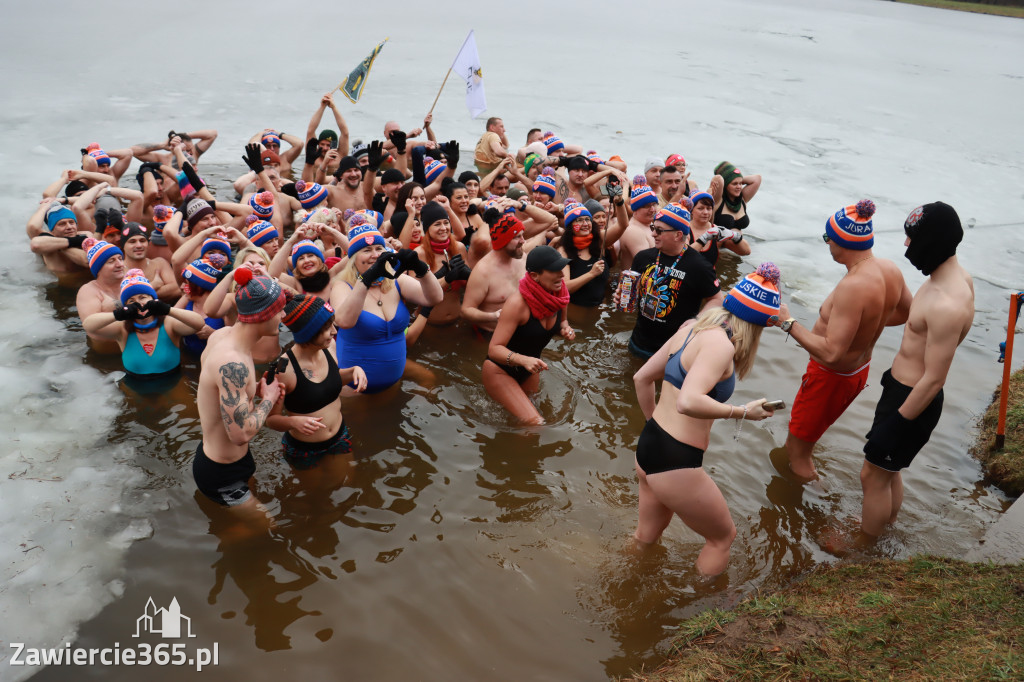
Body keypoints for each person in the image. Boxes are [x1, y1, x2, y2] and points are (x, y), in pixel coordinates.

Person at [631, 263, 783, 575]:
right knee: (723, 538)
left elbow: (642, 378)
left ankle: (627, 580)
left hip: (650, 446)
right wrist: (742, 412)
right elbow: (688, 401)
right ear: (758, 325)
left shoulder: (691, 328)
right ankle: (707, 613)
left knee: (643, 539)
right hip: (676, 462)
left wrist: (652, 423)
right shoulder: (721, 345)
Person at [859, 202, 974, 538]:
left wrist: (897, 422)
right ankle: (885, 529)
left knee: (872, 475)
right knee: (888, 472)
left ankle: (864, 546)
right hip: (901, 391)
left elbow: (936, 377)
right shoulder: (954, 277)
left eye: (913, 239)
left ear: (933, 243)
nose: (907, 246)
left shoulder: (947, 302)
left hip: (912, 402)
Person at [774, 200, 911, 480]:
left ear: (841, 241)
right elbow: (907, 312)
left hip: (830, 377)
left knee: (797, 454)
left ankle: (813, 514)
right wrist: (867, 328)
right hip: (857, 372)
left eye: (828, 238)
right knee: (800, 443)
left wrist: (787, 322)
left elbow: (832, 353)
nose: (827, 245)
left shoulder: (853, 286)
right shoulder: (889, 270)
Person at [193, 269, 286, 511]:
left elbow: (216, 392)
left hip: (234, 460)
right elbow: (241, 434)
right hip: (221, 474)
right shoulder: (231, 363)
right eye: (279, 310)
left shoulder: (222, 336)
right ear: (263, 315)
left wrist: (252, 391)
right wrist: (268, 399)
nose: (283, 316)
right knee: (269, 531)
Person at [330, 224, 443, 394]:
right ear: (353, 258)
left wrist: (421, 268)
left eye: (378, 249)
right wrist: (367, 279)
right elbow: (344, 321)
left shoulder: (396, 281)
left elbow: (435, 298)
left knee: (430, 380)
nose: (375, 255)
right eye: (366, 250)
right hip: (354, 390)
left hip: (393, 382)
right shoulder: (342, 285)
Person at [267, 294, 367, 469]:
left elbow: (329, 383)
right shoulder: (283, 369)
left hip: (339, 435)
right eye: (328, 327)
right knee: (314, 493)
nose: (335, 332)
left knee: (347, 483)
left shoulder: (329, 347)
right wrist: (293, 422)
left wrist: (353, 372)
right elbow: (271, 420)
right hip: (305, 448)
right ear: (309, 331)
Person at [484, 246, 576, 425]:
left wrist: (565, 329)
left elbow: (562, 322)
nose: (562, 276)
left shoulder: (560, 295)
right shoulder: (517, 304)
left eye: (562, 269)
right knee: (535, 422)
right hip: (500, 370)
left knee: (530, 417)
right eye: (555, 271)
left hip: (530, 369)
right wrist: (524, 360)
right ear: (535, 276)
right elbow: (494, 349)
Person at [627, 203, 723, 358]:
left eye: (659, 230)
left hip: (674, 349)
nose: (653, 234)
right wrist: (623, 294)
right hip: (638, 341)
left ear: (678, 235)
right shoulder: (643, 257)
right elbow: (633, 290)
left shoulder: (699, 266)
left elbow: (717, 300)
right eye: (653, 228)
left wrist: (696, 321)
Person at [82, 269, 205, 382]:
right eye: (131, 301)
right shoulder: (121, 328)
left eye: (143, 297)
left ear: (153, 299)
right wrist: (117, 314)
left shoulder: (169, 323)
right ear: (126, 306)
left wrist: (168, 310)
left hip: (172, 381)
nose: (139, 303)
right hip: (135, 385)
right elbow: (88, 325)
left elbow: (198, 323)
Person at [461, 213, 542, 334]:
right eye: (517, 237)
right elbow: (465, 311)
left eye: (522, 235)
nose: (523, 241)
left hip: (520, 330)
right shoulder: (483, 272)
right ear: (504, 241)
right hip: (490, 333)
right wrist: (494, 316)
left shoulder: (522, 257)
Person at [556, 201, 608, 307]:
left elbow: (622, 226)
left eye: (587, 219)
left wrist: (620, 203)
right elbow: (563, 288)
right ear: (570, 226)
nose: (585, 224)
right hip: (577, 314)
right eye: (579, 220)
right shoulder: (563, 250)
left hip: (600, 313)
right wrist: (591, 274)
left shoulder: (598, 241)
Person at [688, 191, 751, 267]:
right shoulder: (684, 229)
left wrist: (734, 235)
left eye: (709, 208)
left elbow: (746, 251)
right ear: (691, 210)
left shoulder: (717, 232)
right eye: (700, 208)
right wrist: (705, 238)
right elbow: (683, 257)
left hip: (709, 277)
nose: (705, 212)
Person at [713, 161, 761, 230]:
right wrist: (728, 179)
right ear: (725, 184)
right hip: (720, 240)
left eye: (741, 183)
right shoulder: (717, 200)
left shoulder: (742, 199)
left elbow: (757, 178)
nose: (739, 187)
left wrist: (737, 178)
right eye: (734, 184)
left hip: (740, 239)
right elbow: (718, 180)